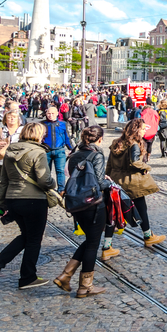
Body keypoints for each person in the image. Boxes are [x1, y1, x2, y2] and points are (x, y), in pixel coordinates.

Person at [0, 123, 57, 290]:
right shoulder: (38, 152)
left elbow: (3, 181)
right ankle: (26, 277)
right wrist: (54, 183)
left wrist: (0, 203)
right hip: (33, 200)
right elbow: (44, 180)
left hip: (13, 199)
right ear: (38, 135)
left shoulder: (10, 150)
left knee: (26, 236)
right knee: (34, 239)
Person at [54, 126, 112, 297]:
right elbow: (100, 184)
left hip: (76, 204)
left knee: (90, 240)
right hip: (94, 204)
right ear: (100, 139)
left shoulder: (73, 155)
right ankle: (85, 286)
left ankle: (66, 275)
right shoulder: (97, 155)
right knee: (93, 244)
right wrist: (110, 182)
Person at [107, 119, 166, 247]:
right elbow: (134, 162)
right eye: (143, 128)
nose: (145, 131)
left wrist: (107, 178)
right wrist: (146, 167)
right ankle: (148, 236)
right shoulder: (134, 144)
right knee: (142, 209)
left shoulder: (116, 142)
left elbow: (109, 164)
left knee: (115, 213)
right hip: (132, 182)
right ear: (136, 130)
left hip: (116, 180)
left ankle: (107, 246)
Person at [0, 109, 24, 199]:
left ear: (18, 119)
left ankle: (11, 207)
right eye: (9, 117)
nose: (12, 119)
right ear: (5, 120)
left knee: (15, 186)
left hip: (17, 163)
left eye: (14, 117)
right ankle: (0, 207)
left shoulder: (24, 132)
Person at [41, 106, 71, 192]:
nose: (50, 115)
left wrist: (71, 148)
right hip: (46, 150)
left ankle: (61, 189)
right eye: (49, 113)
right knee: (46, 171)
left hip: (60, 150)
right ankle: (47, 189)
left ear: (57, 113)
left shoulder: (63, 124)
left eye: (52, 113)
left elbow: (67, 137)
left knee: (60, 171)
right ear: (46, 114)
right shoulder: (42, 124)